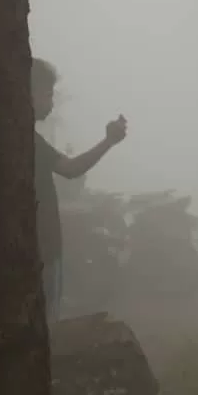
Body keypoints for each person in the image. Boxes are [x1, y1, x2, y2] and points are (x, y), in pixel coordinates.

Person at [33, 58, 128, 323]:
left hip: (43, 246)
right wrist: (109, 141)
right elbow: (71, 169)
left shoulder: (28, 140)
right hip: (42, 248)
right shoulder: (29, 143)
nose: (52, 103)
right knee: (46, 320)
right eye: (47, 94)